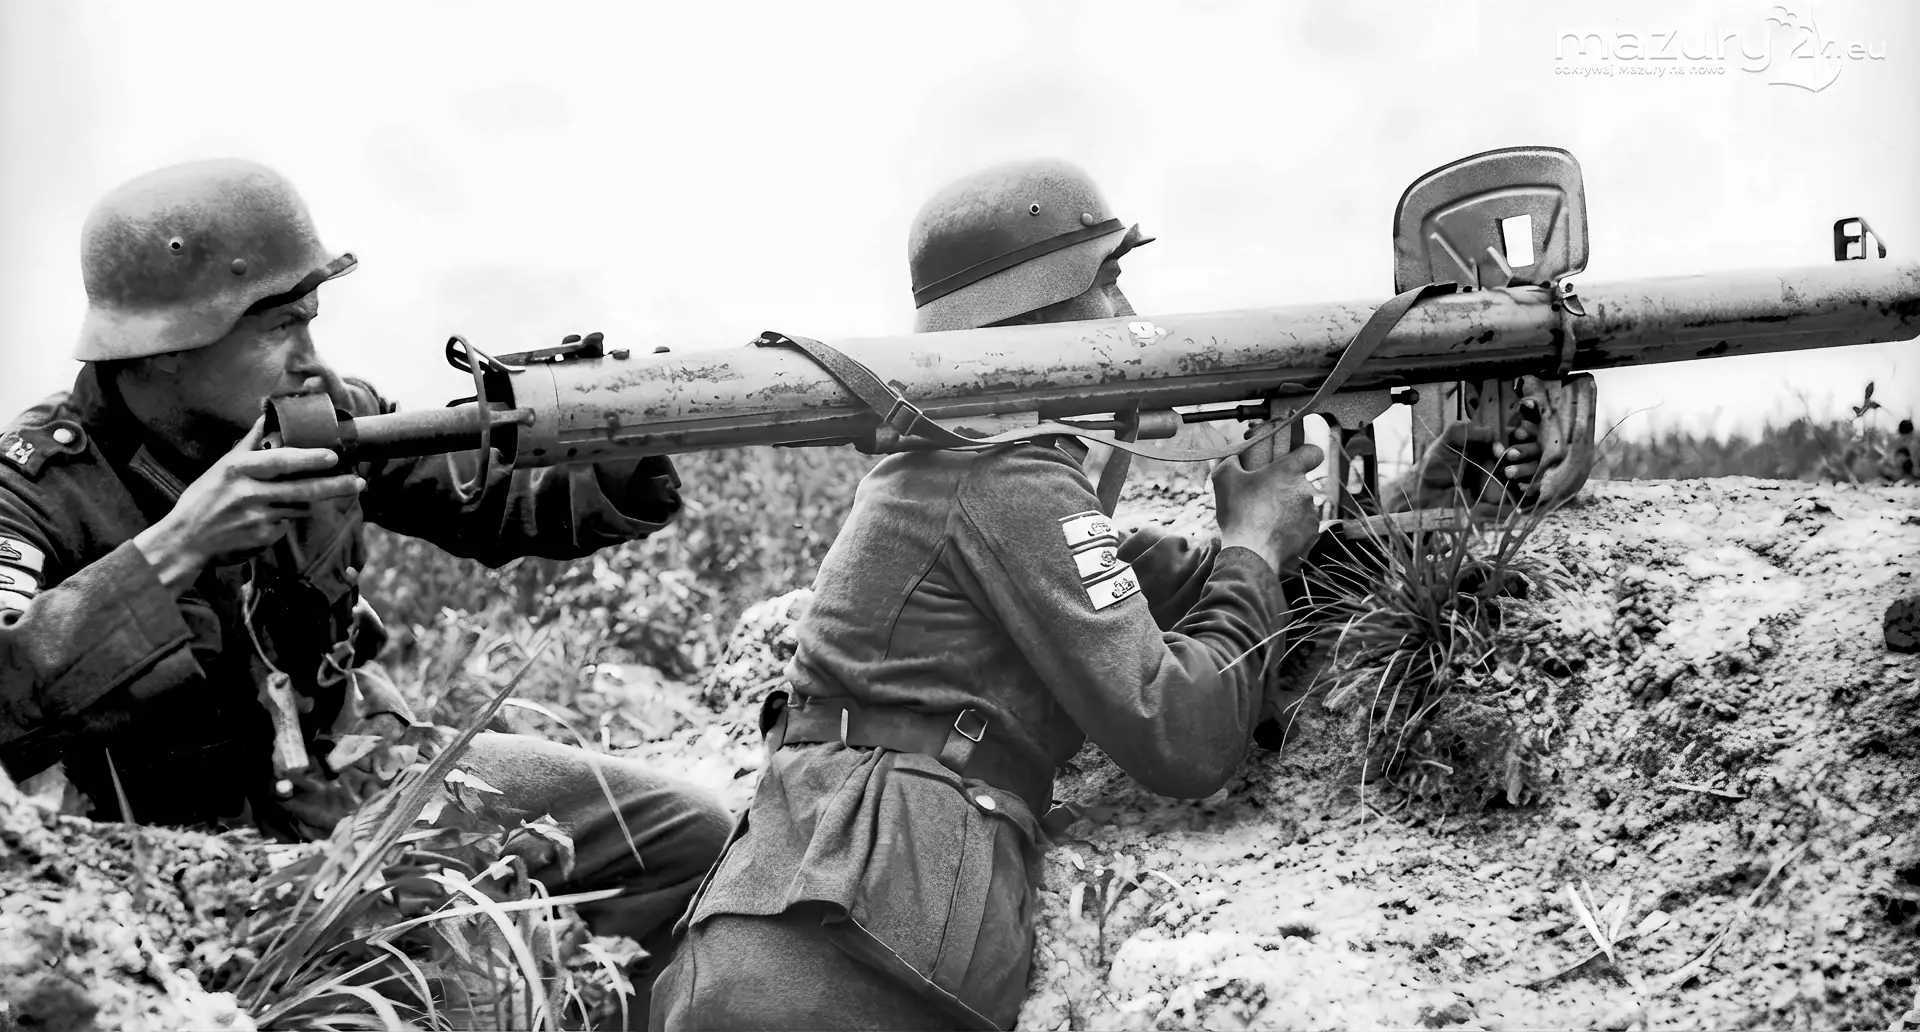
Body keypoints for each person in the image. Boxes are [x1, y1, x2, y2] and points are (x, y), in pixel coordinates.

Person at [650, 158, 1580, 1031]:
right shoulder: (1001, 478)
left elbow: (1229, 599)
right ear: (1045, 312)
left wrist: (1428, 498)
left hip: (831, 953)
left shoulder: (978, 475)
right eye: (1112, 281)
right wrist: (1253, 545)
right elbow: (1185, 734)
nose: (1134, 314)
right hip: (827, 976)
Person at [0, 159, 733, 1018]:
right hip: (177, 861)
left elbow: (501, 501)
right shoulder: (37, 490)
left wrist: (620, 436)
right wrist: (177, 547)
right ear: (165, 347)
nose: (311, 360)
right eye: (280, 328)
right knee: (446, 989)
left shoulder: (321, 417)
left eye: (310, 322)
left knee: (685, 835)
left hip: (357, 780)